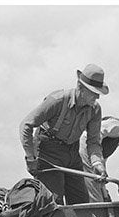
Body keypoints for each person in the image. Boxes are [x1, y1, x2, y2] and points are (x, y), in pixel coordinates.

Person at [20, 63, 108, 205]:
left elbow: (93, 142)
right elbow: (26, 125)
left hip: (72, 152)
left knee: (82, 202)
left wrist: (98, 163)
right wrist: (31, 157)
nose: (97, 96)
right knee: (53, 202)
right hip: (48, 151)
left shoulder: (95, 110)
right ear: (80, 87)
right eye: (94, 92)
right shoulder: (58, 100)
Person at [80, 116, 119, 200]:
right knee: (95, 193)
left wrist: (103, 173)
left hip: (92, 155)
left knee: (99, 190)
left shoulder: (117, 139)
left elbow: (102, 158)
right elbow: (94, 134)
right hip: (87, 149)